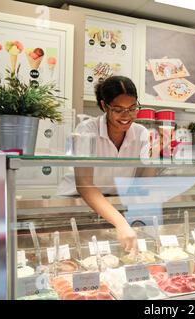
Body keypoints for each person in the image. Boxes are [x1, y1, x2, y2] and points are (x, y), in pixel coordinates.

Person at [57, 76, 151, 252]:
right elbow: (84, 184)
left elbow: (142, 182)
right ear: (103, 106)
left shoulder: (142, 133)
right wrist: (121, 223)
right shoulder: (86, 130)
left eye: (132, 109)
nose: (127, 116)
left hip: (116, 207)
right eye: (118, 109)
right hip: (79, 206)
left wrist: (157, 155)